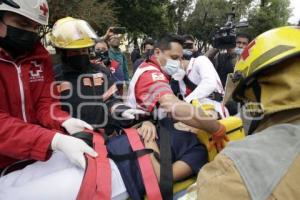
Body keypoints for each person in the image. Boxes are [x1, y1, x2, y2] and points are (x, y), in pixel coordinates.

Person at [0, 1, 117, 199]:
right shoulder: (58, 74)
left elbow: (44, 105)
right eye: (21, 24)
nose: (29, 33)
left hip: (37, 157)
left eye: (35, 27)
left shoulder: (38, 58)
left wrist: (64, 121)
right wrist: (53, 140)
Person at [194, 26, 300, 200]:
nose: (240, 46)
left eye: (245, 98)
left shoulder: (233, 171)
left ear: (255, 91)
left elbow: (245, 116)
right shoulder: (220, 58)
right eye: (238, 43)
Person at [127, 33, 229, 158]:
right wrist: (216, 127)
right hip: (142, 131)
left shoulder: (157, 71)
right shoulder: (151, 73)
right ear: (158, 52)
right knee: (198, 152)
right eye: (174, 58)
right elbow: (173, 106)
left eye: (180, 58)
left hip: (150, 125)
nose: (177, 62)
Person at [171, 37, 229, 119]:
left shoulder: (200, 61)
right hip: (192, 115)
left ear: (179, 58)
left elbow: (209, 83)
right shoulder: (179, 77)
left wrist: (186, 102)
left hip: (213, 110)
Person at [102, 27, 129, 95]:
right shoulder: (106, 52)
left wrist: (128, 85)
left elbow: (125, 70)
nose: (116, 39)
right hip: (109, 84)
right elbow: (96, 43)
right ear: (108, 42)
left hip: (120, 84)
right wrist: (106, 36)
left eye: (117, 38)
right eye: (113, 38)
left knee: (119, 102)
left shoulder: (122, 55)